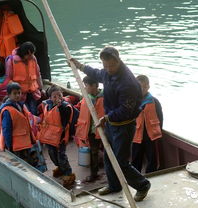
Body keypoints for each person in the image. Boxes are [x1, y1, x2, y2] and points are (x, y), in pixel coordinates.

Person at [70, 46, 151, 202]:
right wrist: (80, 66)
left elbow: (125, 110)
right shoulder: (107, 72)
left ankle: (142, 185)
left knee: (121, 162)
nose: (108, 69)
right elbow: (97, 73)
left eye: (111, 66)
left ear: (118, 60)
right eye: (105, 66)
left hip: (124, 126)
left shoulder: (127, 82)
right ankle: (114, 185)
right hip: (111, 124)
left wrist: (107, 117)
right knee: (109, 156)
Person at [37, 85, 75, 188]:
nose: (57, 98)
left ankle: (68, 173)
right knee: (52, 154)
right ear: (50, 98)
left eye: (60, 95)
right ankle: (60, 167)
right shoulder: (47, 106)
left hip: (61, 136)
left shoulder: (65, 107)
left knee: (61, 155)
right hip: (50, 136)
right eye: (54, 96)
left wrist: (60, 107)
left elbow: (65, 120)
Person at [132, 75, 163, 173]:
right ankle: (137, 180)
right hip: (137, 136)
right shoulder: (132, 102)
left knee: (152, 160)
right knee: (136, 159)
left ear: (148, 87)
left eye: (144, 87)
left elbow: (160, 118)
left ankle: (151, 178)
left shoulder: (154, 101)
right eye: (139, 87)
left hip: (151, 137)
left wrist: (159, 132)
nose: (141, 89)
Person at [74, 76, 104, 182]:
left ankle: (112, 172)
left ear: (94, 86)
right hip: (91, 131)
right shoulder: (86, 98)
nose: (85, 88)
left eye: (86, 85)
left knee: (109, 151)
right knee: (93, 152)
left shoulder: (105, 97)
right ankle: (94, 173)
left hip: (104, 130)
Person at [0, 82, 35, 166]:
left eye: (19, 93)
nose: (18, 95)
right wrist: (9, 145)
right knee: (21, 165)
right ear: (8, 95)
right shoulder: (7, 111)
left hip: (24, 142)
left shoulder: (20, 105)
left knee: (27, 164)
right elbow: (6, 129)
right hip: (16, 145)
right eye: (14, 93)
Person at [5, 41, 43, 115]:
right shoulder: (11, 61)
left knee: (33, 112)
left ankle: (33, 125)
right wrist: (12, 94)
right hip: (19, 94)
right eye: (29, 55)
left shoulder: (33, 59)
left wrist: (41, 88)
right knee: (25, 112)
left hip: (33, 92)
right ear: (25, 53)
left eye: (32, 54)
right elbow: (8, 78)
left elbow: (38, 74)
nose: (31, 56)